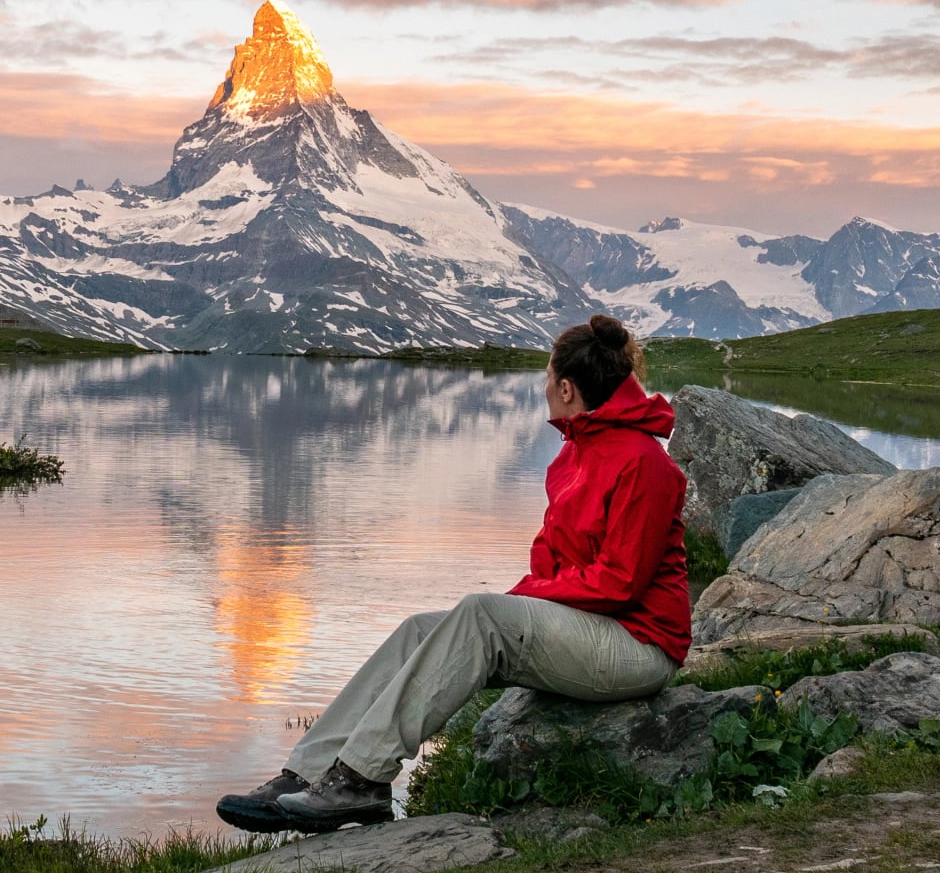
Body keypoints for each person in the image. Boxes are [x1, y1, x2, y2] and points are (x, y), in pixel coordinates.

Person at [217, 313, 690, 834]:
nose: (542, 391)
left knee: (479, 613)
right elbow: (552, 561)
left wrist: (522, 601)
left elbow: (620, 583)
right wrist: (529, 601)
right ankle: (307, 773)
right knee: (421, 628)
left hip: (639, 649)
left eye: (546, 381)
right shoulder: (574, 456)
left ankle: (361, 781)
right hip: (589, 630)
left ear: (566, 387)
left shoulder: (644, 463)